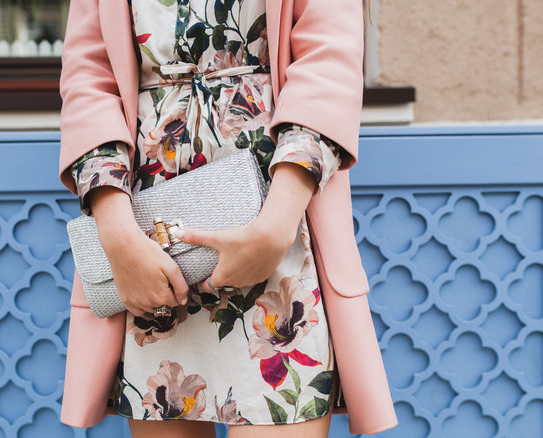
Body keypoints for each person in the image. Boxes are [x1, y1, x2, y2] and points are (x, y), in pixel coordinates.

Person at [57, 0, 398, 437]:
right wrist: (118, 237)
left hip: (279, 224)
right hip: (153, 244)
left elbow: (328, 65)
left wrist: (274, 231)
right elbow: (89, 78)